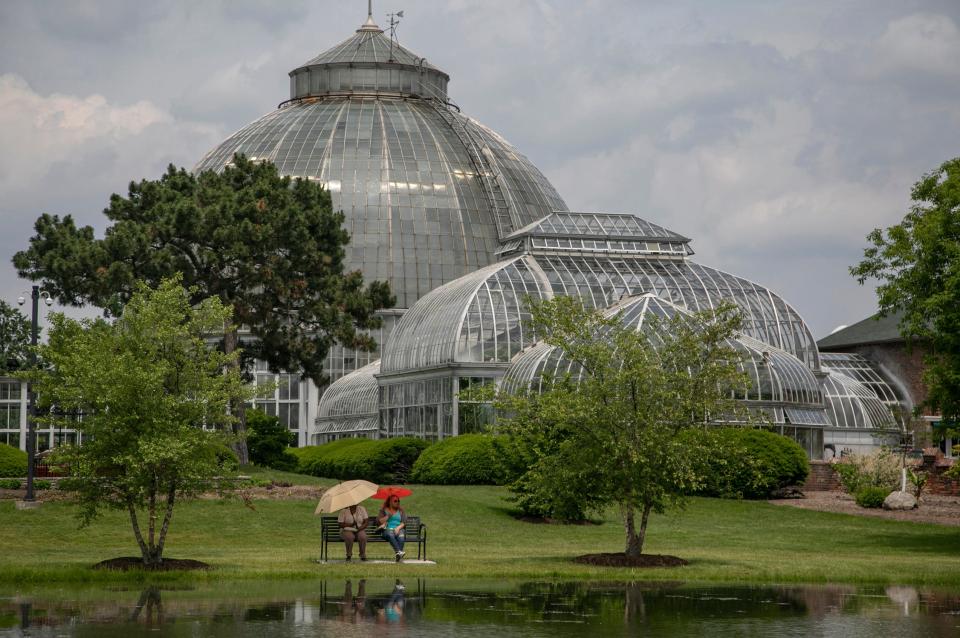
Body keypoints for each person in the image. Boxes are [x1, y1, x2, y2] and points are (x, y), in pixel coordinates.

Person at [377, 495, 407, 561]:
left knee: (401, 537)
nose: (397, 502)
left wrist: (398, 528)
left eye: (398, 501)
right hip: (387, 530)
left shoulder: (401, 510)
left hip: (398, 529)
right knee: (390, 534)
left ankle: (398, 555)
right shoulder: (383, 510)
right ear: (390, 502)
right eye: (395, 501)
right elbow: (379, 521)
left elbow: (404, 522)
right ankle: (399, 552)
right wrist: (388, 516)